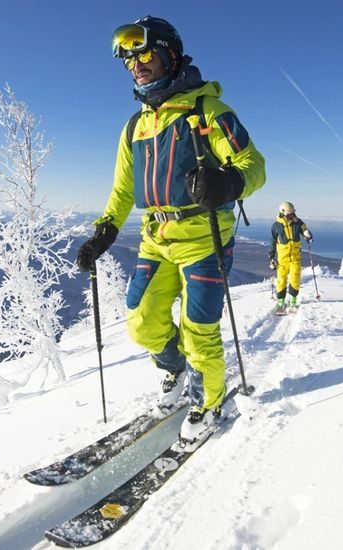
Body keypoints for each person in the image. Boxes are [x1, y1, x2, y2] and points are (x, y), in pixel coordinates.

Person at [76, 16, 265, 444]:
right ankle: (176, 369)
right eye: (128, 60)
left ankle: (208, 400)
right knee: (142, 322)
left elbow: (254, 166)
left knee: (199, 328)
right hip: (155, 239)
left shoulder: (208, 111)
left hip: (203, 238)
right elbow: (123, 189)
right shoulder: (135, 127)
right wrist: (103, 233)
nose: (136, 64)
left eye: (143, 53)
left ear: (169, 54)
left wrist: (228, 183)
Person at [269, 202, 312, 311]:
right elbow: (273, 241)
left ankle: (293, 301)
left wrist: (308, 235)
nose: (291, 215)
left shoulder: (298, 223)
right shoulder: (276, 225)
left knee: (295, 278)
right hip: (282, 259)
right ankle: (281, 303)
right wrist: (271, 256)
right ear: (282, 213)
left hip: (295, 257)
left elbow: (305, 230)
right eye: (289, 214)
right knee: (281, 280)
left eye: (292, 213)